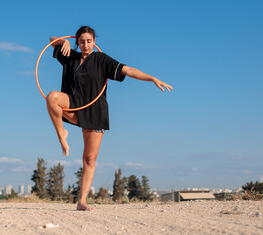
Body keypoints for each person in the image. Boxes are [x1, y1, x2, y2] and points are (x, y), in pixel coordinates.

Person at [47, 26, 172, 211]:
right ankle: (61, 134)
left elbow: (127, 70)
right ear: (77, 42)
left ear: (94, 42)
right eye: (82, 41)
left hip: (95, 112)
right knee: (52, 97)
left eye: (89, 41)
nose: (86, 45)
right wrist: (62, 41)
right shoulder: (70, 56)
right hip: (73, 105)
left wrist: (152, 78)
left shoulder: (101, 60)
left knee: (89, 159)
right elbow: (51, 39)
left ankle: (82, 201)